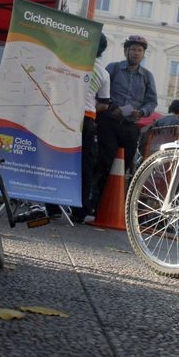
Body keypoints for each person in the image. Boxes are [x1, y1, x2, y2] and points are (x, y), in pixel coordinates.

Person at [95, 34, 158, 198]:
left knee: (124, 166)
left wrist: (142, 112)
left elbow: (152, 102)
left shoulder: (147, 76)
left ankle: (116, 202)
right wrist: (110, 106)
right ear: (125, 51)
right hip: (108, 123)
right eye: (133, 50)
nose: (136, 53)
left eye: (139, 50)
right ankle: (98, 201)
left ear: (143, 54)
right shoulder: (113, 68)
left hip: (130, 126)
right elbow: (99, 89)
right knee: (105, 162)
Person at [71, 33, 111, 224]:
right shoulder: (103, 73)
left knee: (58, 157)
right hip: (87, 119)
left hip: (67, 116)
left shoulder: (72, 63)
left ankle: (52, 205)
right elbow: (104, 103)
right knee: (85, 165)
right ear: (102, 51)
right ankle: (80, 211)